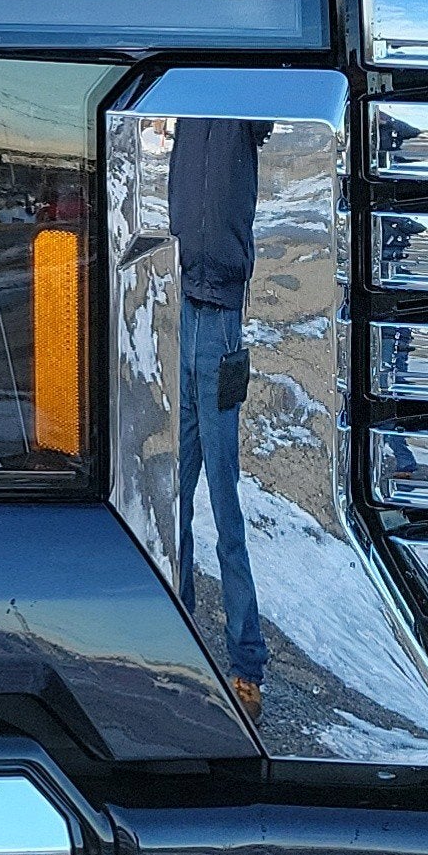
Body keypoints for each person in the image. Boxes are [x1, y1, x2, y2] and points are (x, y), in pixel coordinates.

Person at [169, 117, 270, 712]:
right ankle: (179, 626)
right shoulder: (187, 106)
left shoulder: (239, 110)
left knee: (223, 499)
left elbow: (267, 105)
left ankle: (246, 662)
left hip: (221, 320)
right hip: (183, 303)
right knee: (177, 491)